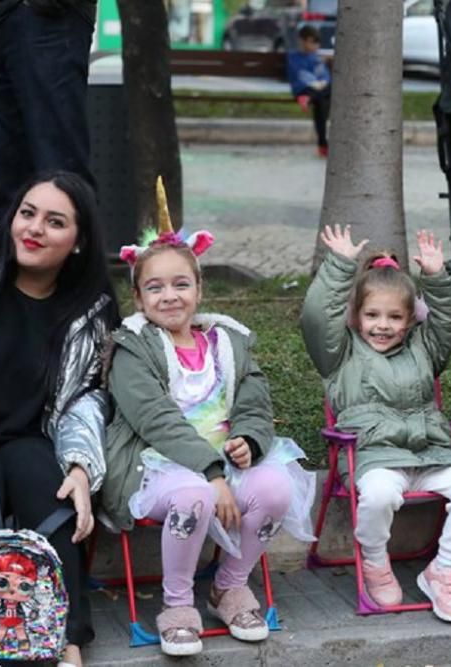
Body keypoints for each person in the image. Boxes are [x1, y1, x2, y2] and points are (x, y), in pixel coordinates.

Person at [103, 181, 310, 657]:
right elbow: (154, 418)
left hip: (223, 461)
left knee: (276, 488)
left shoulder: (228, 342)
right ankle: (177, 604)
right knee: (194, 496)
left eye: (181, 284)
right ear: (137, 297)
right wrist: (213, 472)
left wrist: (248, 441)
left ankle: (229, 585)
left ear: (199, 289)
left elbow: (255, 400)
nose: (169, 296)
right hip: (154, 465)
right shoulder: (133, 349)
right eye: (154, 287)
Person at [0, 171, 119, 667]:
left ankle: (63, 639)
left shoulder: (89, 312)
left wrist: (80, 465)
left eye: (55, 222)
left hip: (28, 438)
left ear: (79, 242)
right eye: (27, 213)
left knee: (46, 483)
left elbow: (85, 399)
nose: (33, 228)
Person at [300, 226, 451, 624]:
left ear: (410, 320)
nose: (382, 325)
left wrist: (436, 277)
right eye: (372, 315)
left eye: (394, 317)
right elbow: (317, 317)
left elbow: (448, 322)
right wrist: (340, 266)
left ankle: (445, 568)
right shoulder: (340, 353)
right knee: (380, 494)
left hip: (429, 451)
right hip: (372, 456)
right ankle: (376, 562)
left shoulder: (424, 347)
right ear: (355, 316)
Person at [0, 0, 96, 225]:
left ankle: (73, 259)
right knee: (0, 168)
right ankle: (14, 257)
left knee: (59, 171)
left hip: (48, 14)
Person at [287, 25, 332, 158]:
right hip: (302, 89)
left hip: (317, 92)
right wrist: (314, 83)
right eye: (312, 42)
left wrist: (322, 82)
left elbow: (324, 75)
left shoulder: (316, 58)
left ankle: (307, 98)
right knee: (323, 100)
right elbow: (298, 75)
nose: (315, 46)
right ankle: (322, 145)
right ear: (302, 41)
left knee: (323, 99)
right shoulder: (293, 57)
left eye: (317, 43)